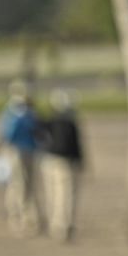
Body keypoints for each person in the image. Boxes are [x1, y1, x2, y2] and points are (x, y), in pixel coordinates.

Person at [0, 83, 42, 236]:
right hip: (15, 152)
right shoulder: (13, 112)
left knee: (28, 184)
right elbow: (5, 134)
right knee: (18, 184)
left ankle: (30, 216)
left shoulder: (29, 112)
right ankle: (19, 217)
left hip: (29, 151)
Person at [38, 89, 85, 242]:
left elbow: (40, 137)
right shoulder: (70, 123)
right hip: (65, 163)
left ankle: (56, 225)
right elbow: (76, 146)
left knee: (53, 194)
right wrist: (82, 163)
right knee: (66, 195)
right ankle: (65, 225)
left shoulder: (49, 121)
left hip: (49, 161)